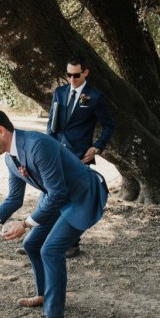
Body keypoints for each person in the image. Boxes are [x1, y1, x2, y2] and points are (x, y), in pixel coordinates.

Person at [0, 108, 108, 318]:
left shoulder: (37, 145)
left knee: (51, 249)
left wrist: (26, 223)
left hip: (82, 195)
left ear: (1, 131)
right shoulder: (10, 158)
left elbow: (57, 193)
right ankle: (45, 295)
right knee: (32, 243)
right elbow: (14, 199)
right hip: (58, 197)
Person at [40, 55, 115, 258]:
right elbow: (51, 122)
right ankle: (40, 239)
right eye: (68, 75)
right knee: (49, 193)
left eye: (76, 75)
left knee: (74, 198)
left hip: (79, 155)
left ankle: (72, 244)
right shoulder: (60, 92)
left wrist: (97, 148)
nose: (71, 80)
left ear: (86, 72)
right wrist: (48, 145)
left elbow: (109, 126)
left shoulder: (95, 97)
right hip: (56, 152)